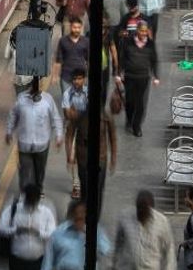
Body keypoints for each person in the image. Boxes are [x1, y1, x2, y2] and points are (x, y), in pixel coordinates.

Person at [40, 200, 112, 270]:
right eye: (77, 214)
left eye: (83, 214)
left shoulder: (95, 230)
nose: (80, 216)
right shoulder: (59, 232)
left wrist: (87, 232)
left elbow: (105, 249)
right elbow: (49, 259)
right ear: (71, 215)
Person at [6, 81, 64, 193]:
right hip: (24, 145)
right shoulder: (21, 99)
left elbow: (55, 118)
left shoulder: (48, 100)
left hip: (42, 145)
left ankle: (38, 189)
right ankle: (24, 196)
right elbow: (12, 115)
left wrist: (59, 135)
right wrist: (9, 131)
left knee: (39, 171)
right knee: (24, 172)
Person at [66, 101, 117, 213]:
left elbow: (112, 138)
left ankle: (95, 216)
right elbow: (69, 133)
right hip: (83, 157)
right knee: (85, 187)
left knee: (98, 189)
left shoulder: (106, 116)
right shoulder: (79, 115)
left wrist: (113, 157)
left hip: (100, 158)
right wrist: (70, 154)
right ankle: (85, 212)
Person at [117, 20, 159, 137]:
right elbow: (122, 57)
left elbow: (154, 60)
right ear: (137, 31)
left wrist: (155, 76)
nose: (144, 33)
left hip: (143, 76)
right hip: (130, 76)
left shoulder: (150, 44)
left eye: (146, 31)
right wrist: (119, 73)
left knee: (140, 101)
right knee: (130, 100)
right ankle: (129, 119)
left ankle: (137, 126)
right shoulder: (128, 42)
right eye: (142, 31)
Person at [61, 68, 87, 198]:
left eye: (79, 78)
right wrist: (80, 113)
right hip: (72, 128)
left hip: (86, 129)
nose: (77, 81)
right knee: (72, 157)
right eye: (75, 79)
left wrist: (74, 111)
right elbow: (67, 114)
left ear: (84, 79)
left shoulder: (88, 93)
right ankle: (76, 185)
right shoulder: (67, 94)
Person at [52, 17, 89, 94]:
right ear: (70, 27)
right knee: (67, 103)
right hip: (66, 77)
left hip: (80, 78)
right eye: (74, 27)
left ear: (81, 28)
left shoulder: (86, 41)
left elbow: (89, 60)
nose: (76, 30)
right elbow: (58, 60)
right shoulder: (63, 41)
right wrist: (55, 76)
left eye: (78, 27)